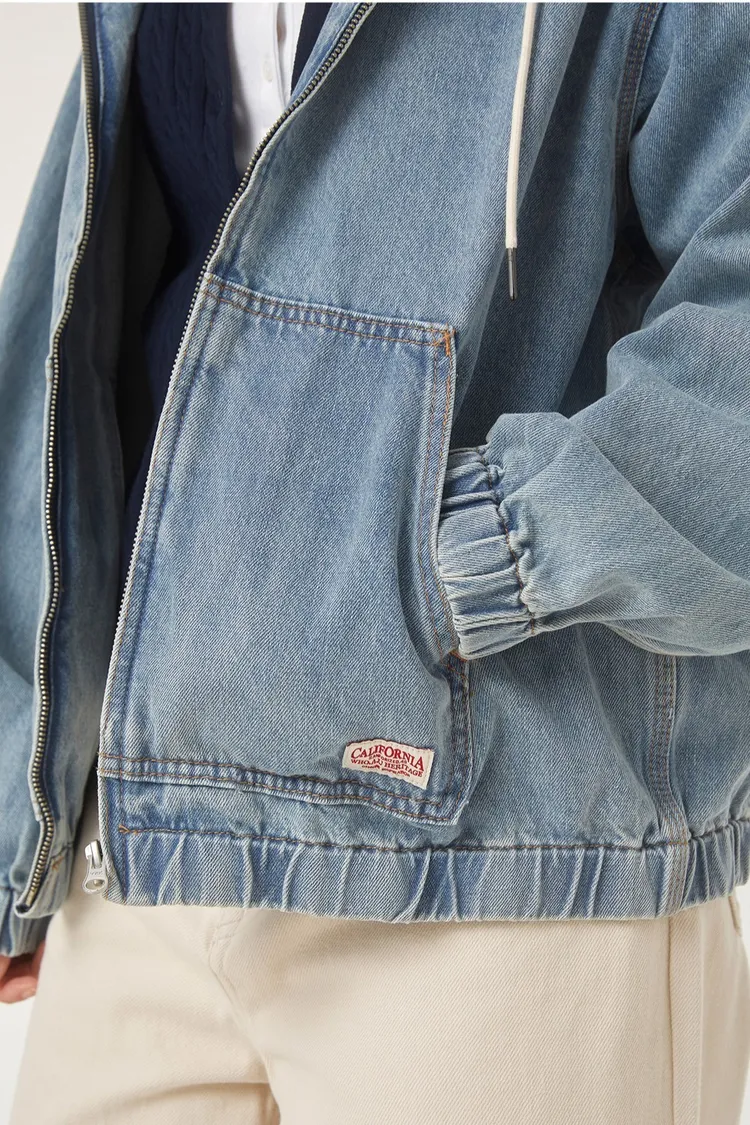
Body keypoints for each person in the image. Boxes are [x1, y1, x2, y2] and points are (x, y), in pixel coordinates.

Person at [2, 2, 750, 1121]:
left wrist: (474, 555)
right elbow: (82, 322)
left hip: (507, 866)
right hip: (146, 846)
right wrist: (24, 782)